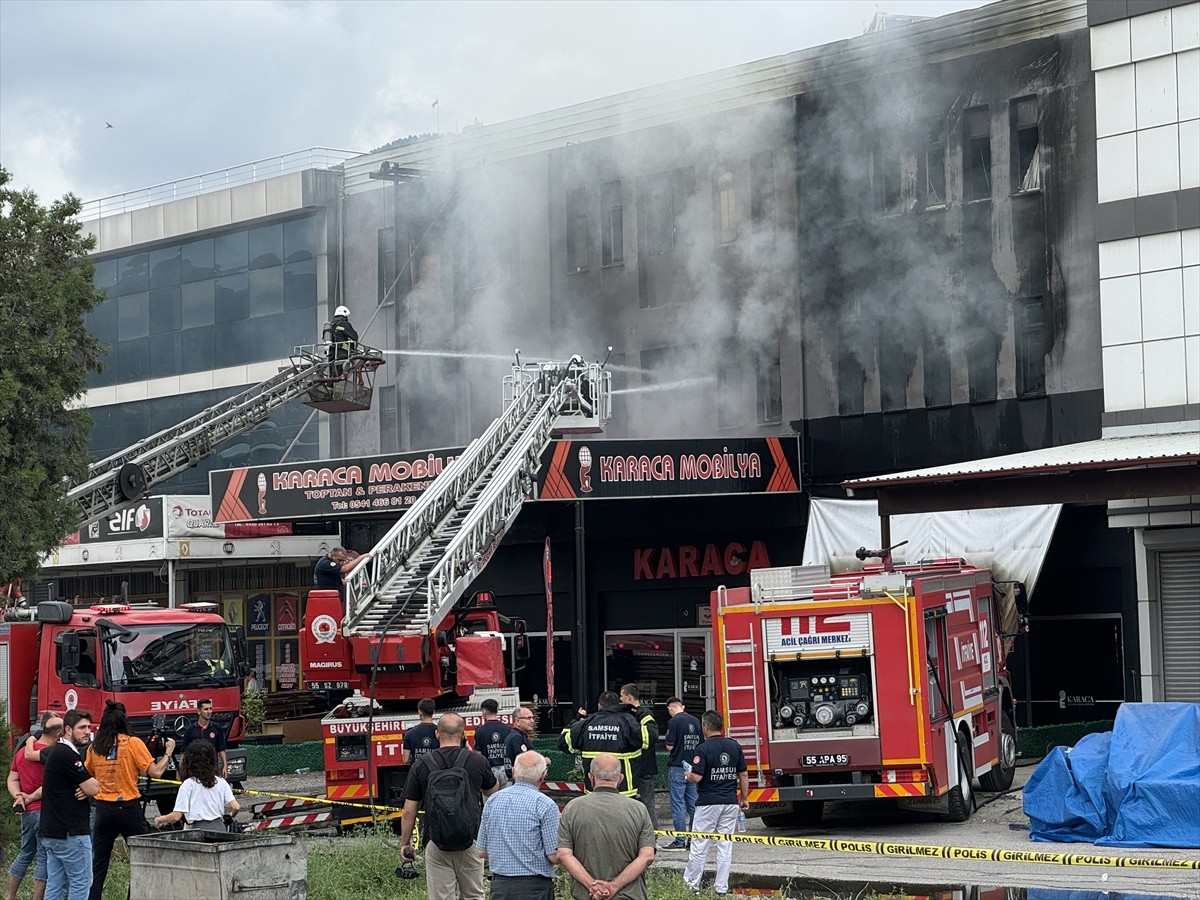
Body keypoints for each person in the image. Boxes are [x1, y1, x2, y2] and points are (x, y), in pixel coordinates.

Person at [397, 713, 497, 900]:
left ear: (437, 734)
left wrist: (405, 843)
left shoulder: (421, 765)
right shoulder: (477, 761)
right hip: (471, 839)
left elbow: (409, 810)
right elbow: (493, 793)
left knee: (441, 897)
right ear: (463, 734)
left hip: (436, 840)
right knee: (474, 895)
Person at [84, 700, 175, 900]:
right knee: (143, 856)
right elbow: (157, 772)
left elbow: (87, 774)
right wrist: (168, 752)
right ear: (124, 721)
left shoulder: (94, 747)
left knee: (98, 864)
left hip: (103, 808)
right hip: (128, 807)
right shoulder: (133, 743)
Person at [557, 752, 655, 900]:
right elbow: (647, 856)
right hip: (628, 895)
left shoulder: (572, 808)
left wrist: (591, 885)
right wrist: (614, 886)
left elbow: (563, 855)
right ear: (620, 778)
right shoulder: (639, 809)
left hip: (586, 895)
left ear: (591, 777)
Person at [474, 750, 560, 899]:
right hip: (535, 887)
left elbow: (481, 851)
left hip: (500, 886)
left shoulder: (493, 801)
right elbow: (553, 855)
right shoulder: (545, 805)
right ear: (543, 775)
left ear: (513, 772)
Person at [682, 710, 749, 896]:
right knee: (725, 845)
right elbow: (743, 774)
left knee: (699, 844)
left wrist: (687, 775)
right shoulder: (735, 746)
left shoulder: (702, 749)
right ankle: (721, 888)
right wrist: (744, 798)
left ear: (705, 726)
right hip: (730, 802)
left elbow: (696, 777)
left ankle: (691, 885)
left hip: (707, 803)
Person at [38, 710, 100, 900]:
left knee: (56, 885)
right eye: (81, 727)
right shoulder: (67, 754)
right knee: (82, 882)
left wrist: (83, 786)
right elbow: (93, 788)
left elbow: (83, 787)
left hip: (52, 831)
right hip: (70, 832)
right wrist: (88, 785)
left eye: (89, 727)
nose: (86, 732)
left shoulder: (58, 751)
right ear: (67, 729)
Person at [7, 715, 61, 900]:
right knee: (43, 857)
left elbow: (12, 778)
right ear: (57, 733)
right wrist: (30, 797)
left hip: (28, 812)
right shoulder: (52, 754)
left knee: (25, 853)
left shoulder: (22, 752)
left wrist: (18, 796)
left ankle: (10, 896)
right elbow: (51, 785)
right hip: (46, 810)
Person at [558, 691, 645, 797]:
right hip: (624, 791)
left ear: (599, 705)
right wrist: (643, 713)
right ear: (618, 704)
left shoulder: (586, 723)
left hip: (593, 791)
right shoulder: (628, 722)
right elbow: (648, 738)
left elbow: (563, 743)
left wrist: (575, 720)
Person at [153, 741, 239, 832]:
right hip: (219, 828)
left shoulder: (188, 784)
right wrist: (230, 815)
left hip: (197, 830)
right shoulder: (221, 782)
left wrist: (160, 819)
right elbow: (236, 807)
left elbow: (176, 816)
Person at [661, 697, 702, 851]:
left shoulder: (674, 722)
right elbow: (701, 745)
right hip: (692, 769)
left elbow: (670, 746)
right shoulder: (695, 721)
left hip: (678, 767)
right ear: (682, 706)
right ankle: (693, 839)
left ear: (670, 709)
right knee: (693, 805)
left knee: (678, 805)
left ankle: (679, 840)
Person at [619, 683, 659, 829]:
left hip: (641, 766)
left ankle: (653, 834)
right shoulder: (638, 714)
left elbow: (651, 736)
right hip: (637, 767)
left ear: (629, 696)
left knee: (646, 802)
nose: (620, 700)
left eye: (622, 696)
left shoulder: (643, 714)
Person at [181, 698, 228, 778]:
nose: (209, 712)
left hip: (212, 769)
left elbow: (221, 749)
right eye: (206, 709)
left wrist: (225, 766)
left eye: (210, 709)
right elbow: (184, 752)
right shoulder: (191, 730)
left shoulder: (216, 728)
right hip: (195, 770)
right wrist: (180, 769)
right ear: (199, 711)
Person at [472, 698, 512, 788]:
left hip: (489, 772)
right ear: (497, 710)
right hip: (505, 770)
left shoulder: (480, 731)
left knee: (489, 800)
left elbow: (478, 754)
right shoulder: (508, 729)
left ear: (484, 711)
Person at [502, 706, 537, 779]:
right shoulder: (517, 738)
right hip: (521, 779)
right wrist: (542, 761)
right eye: (528, 718)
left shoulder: (516, 735)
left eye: (532, 718)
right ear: (517, 721)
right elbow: (525, 762)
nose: (532, 721)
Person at [401, 698, 438, 766]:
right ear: (433, 711)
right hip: (436, 773)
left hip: (418, 773)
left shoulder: (410, 733)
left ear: (419, 712)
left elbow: (405, 760)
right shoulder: (440, 732)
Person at [327, 304, 359, 370]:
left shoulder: (331, 325)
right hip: (342, 354)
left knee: (333, 376)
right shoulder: (344, 323)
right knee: (341, 375)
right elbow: (354, 337)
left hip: (331, 355)